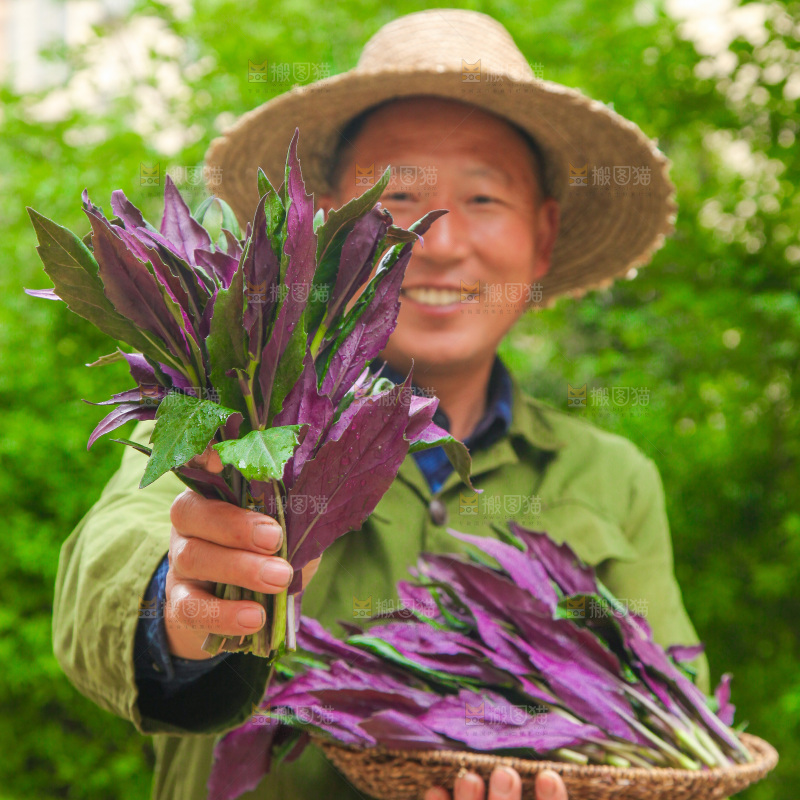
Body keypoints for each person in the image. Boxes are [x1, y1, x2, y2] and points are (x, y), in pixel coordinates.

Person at [52, 9, 708, 800]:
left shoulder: (612, 478)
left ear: (542, 237)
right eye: (400, 195)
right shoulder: (228, 420)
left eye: (485, 198)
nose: (438, 239)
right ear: (329, 231)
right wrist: (181, 603)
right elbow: (110, 559)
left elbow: (674, 720)